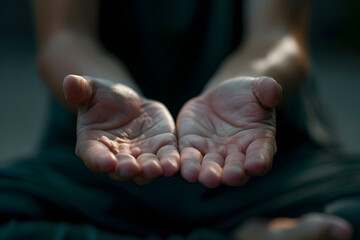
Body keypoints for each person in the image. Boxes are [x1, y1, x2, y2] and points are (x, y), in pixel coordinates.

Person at [0, 0, 359, 239]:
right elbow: (64, 37)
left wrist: (247, 80)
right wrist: (109, 91)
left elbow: (278, 37)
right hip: (102, 160)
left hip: (263, 161)